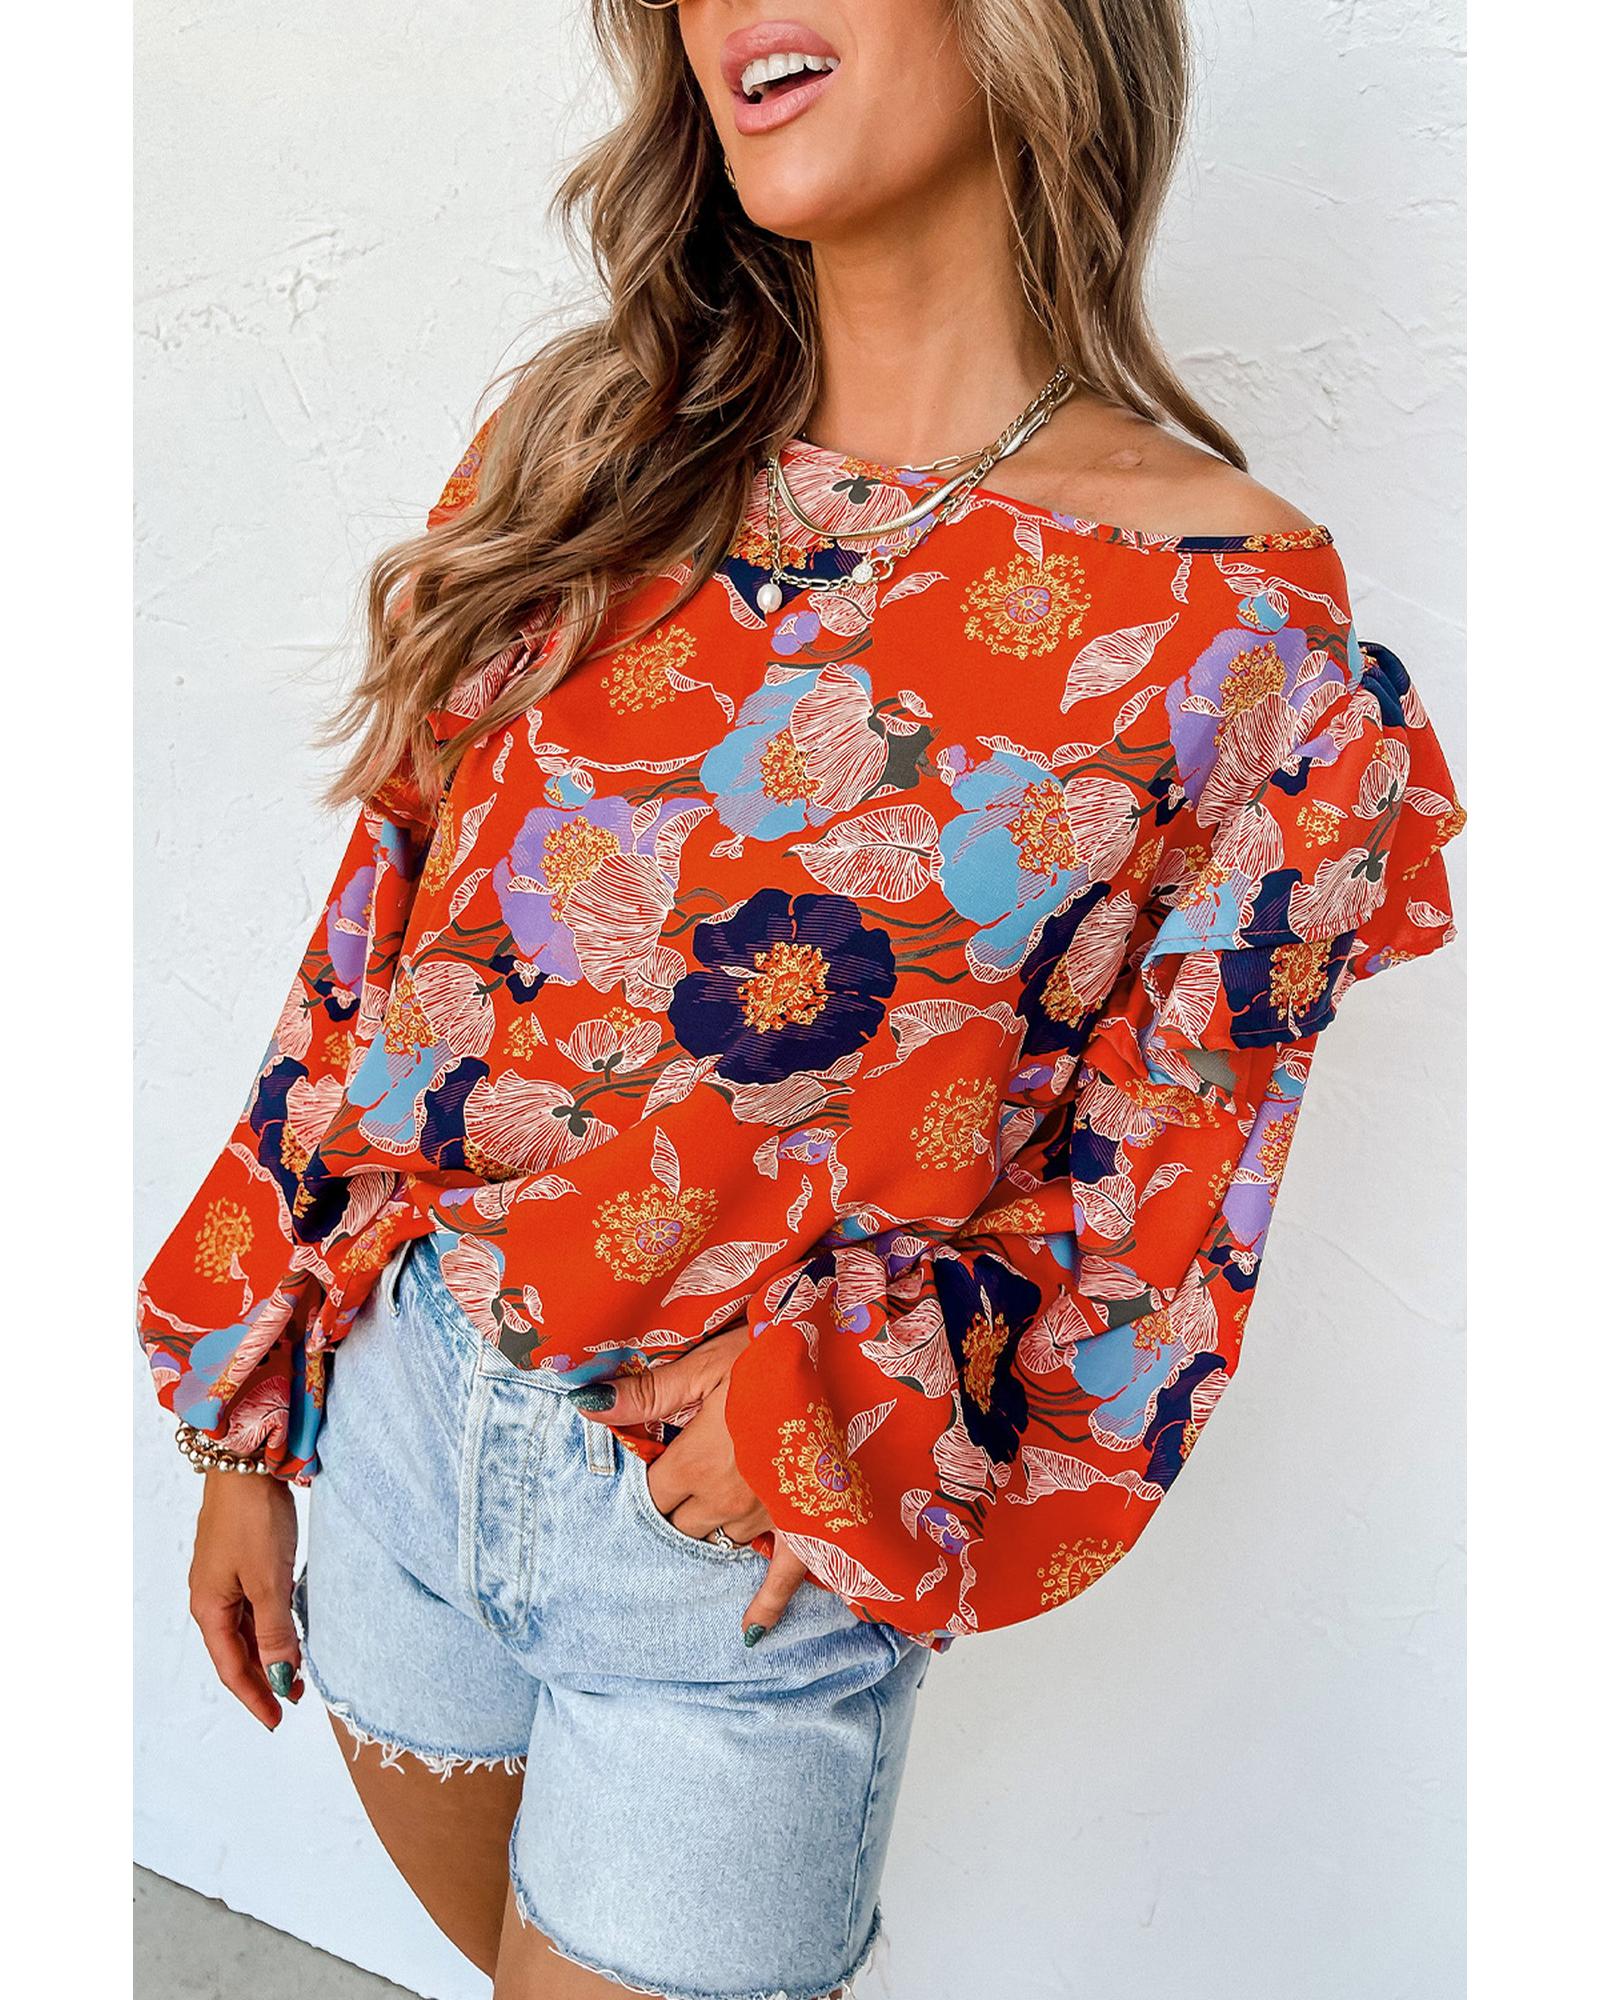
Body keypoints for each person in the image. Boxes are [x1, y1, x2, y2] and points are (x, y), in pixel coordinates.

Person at [136, 3, 1466, 1996]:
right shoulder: (597, 451)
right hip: (405, 1433)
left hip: (732, 1565)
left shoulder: (1229, 622)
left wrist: (849, 1413)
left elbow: (1154, 1222)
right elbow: (381, 942)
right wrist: (245, 1415)